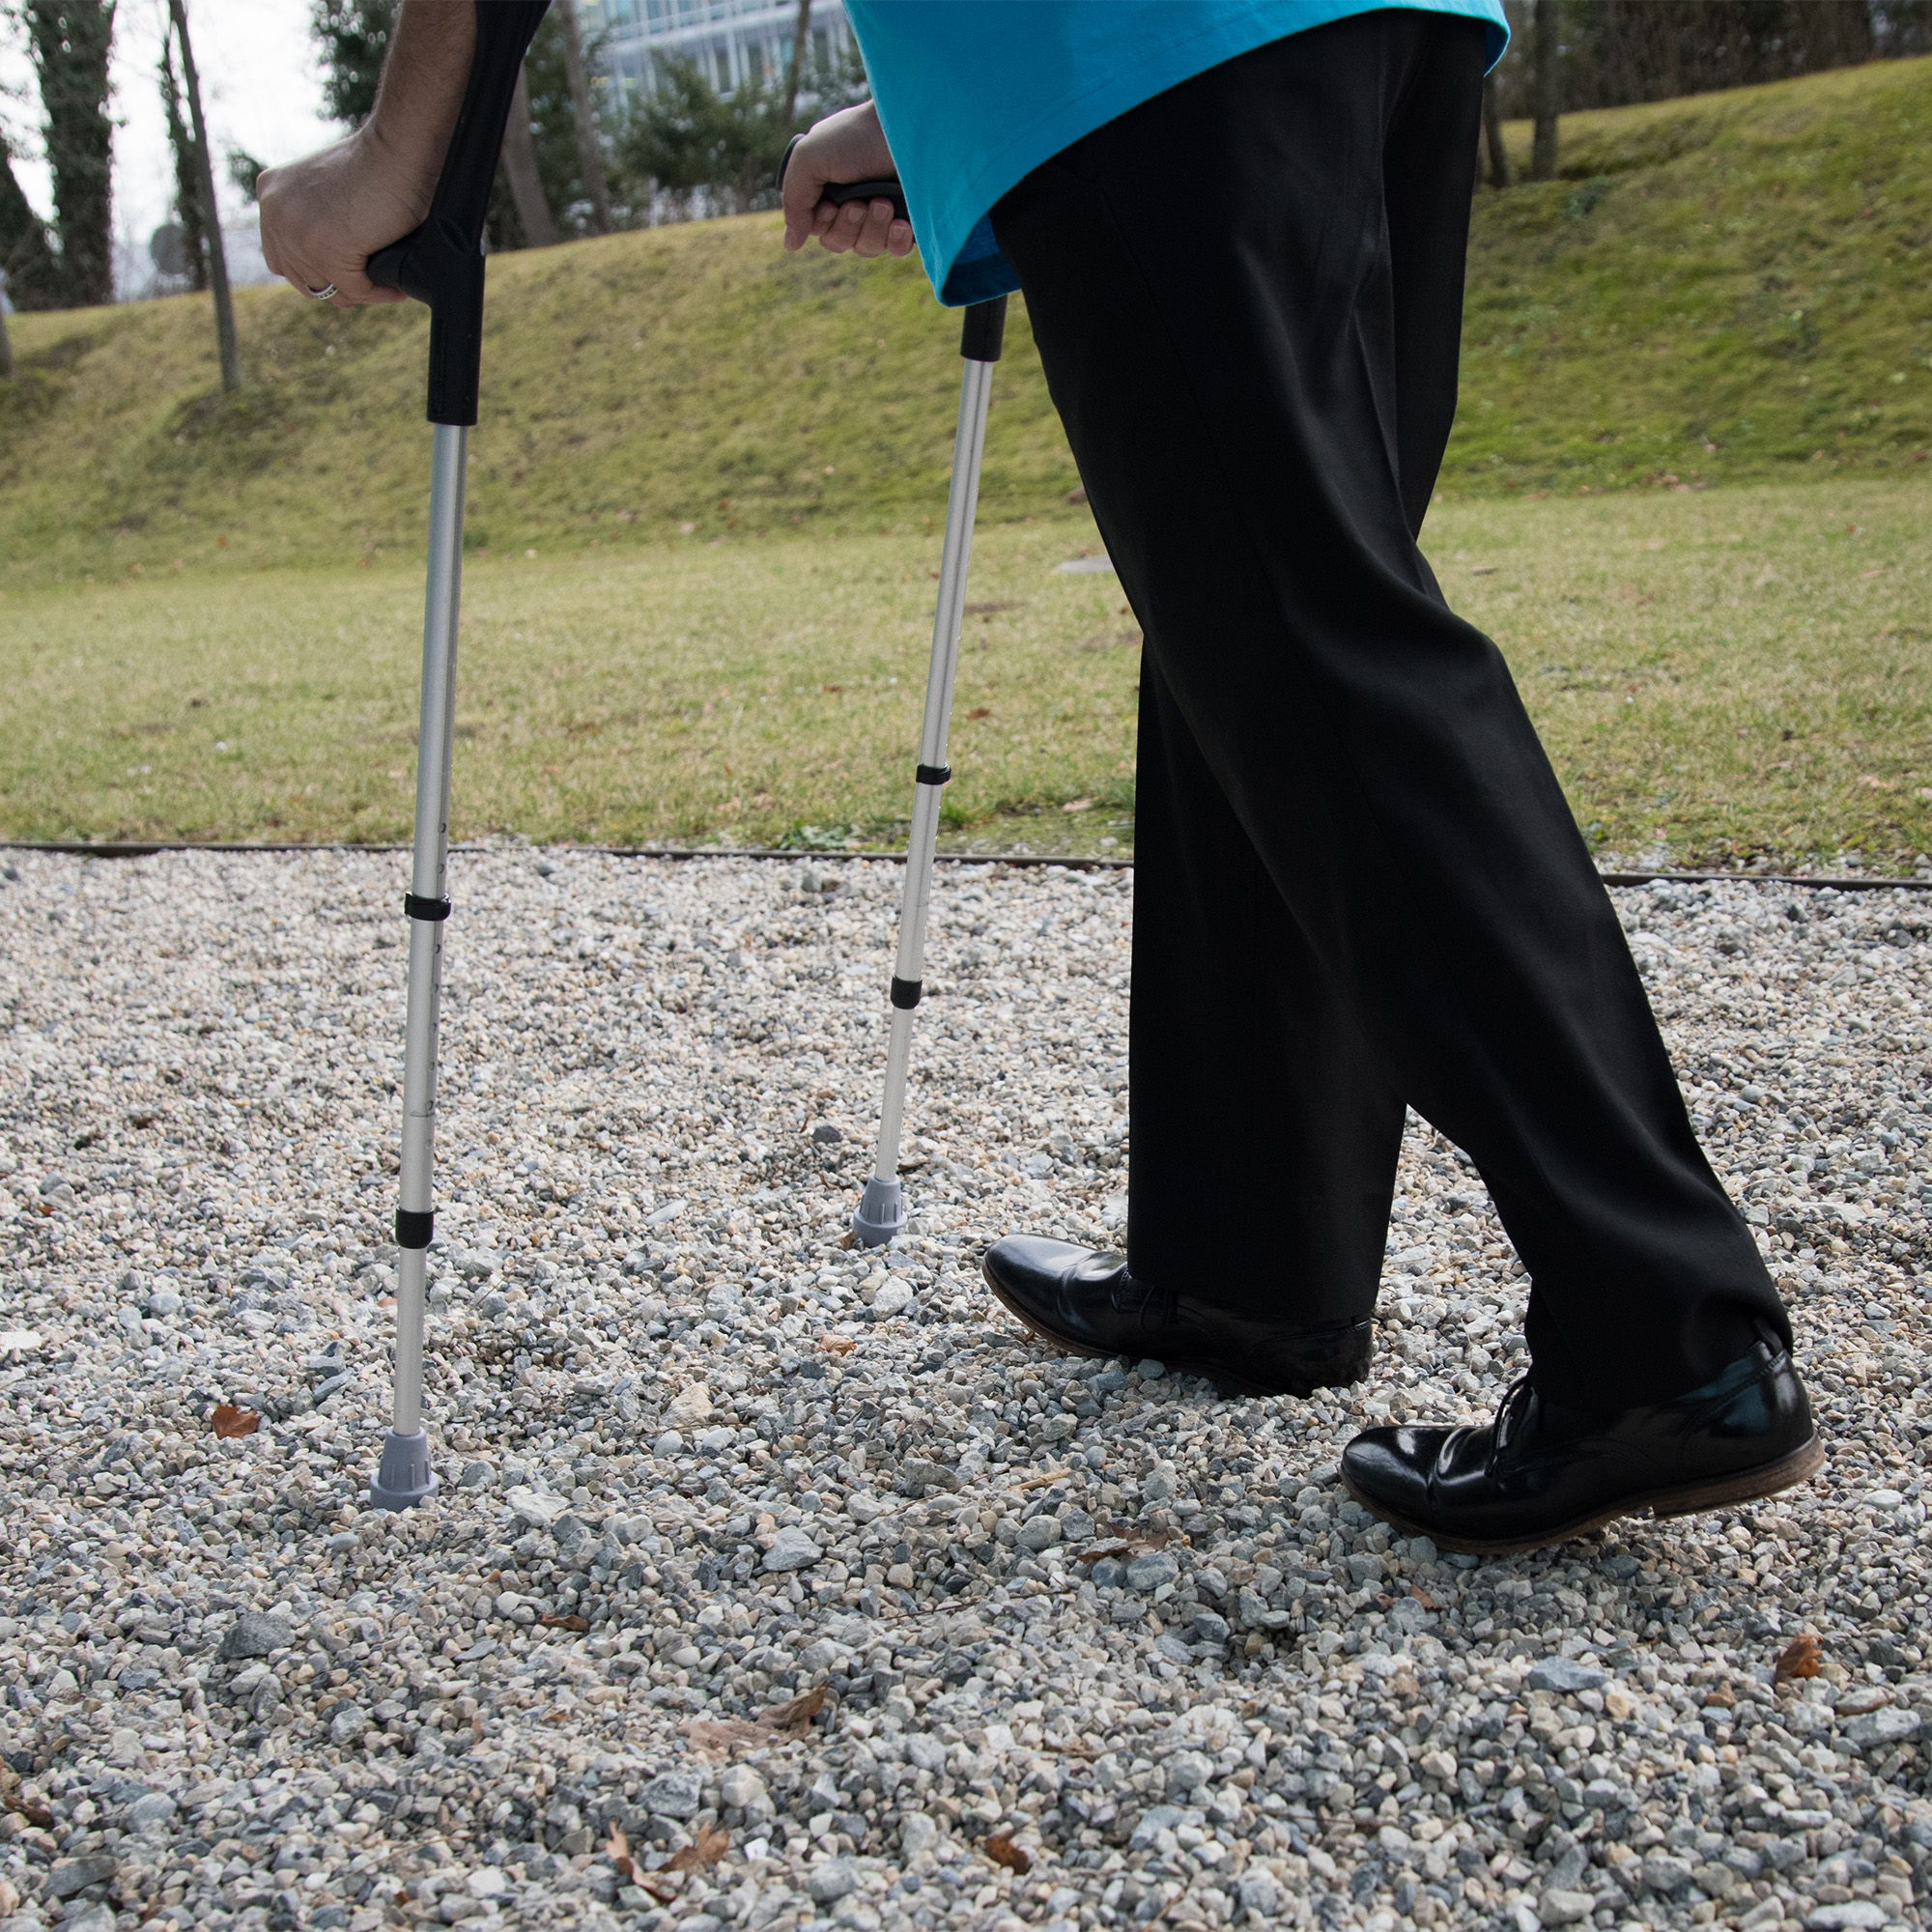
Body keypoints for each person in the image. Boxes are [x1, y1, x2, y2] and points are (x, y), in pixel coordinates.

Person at [260, 0, 1822, 1557]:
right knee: (1260, 623)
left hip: (1139, 38)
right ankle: (1249, 1264)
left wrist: (399, 149)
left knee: (1306, 637)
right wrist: (938, 93)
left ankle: (1664, 1329)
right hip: (1373, 25)